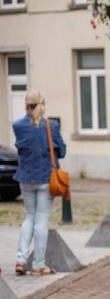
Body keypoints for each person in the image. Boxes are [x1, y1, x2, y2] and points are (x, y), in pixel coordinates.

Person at [13, 91, 65, 276]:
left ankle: (20, 260)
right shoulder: (51, 125)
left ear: (26, 105)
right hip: (45, 177)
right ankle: (38, 265)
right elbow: (62, 151)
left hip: (25, 177)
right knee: (41, 220)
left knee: (29, 217)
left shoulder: (17, 125)